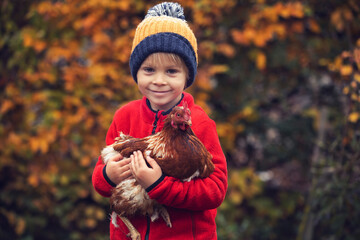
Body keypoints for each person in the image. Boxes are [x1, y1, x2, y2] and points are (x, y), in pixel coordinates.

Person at [92, 2, 228, 239]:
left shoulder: (199, 123)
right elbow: (100, 180)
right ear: (137, 72)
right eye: (149, 70)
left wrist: (159, 185)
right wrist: (109, 176)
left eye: (171, 72)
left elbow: (215, 191)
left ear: (188, 76)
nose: (159, 80)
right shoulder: (125, 116)